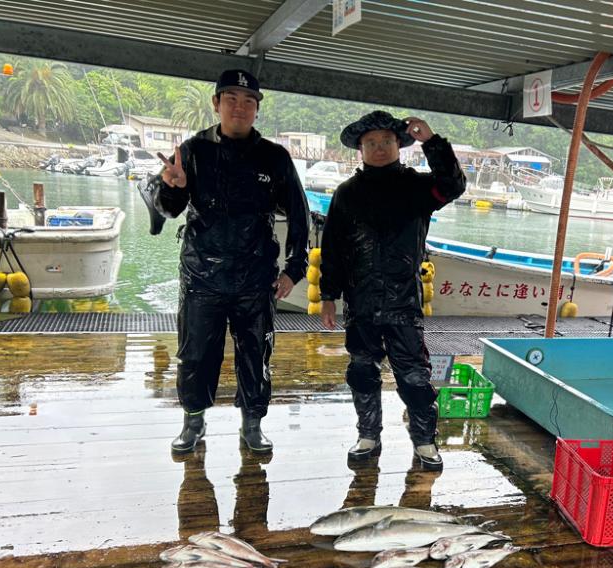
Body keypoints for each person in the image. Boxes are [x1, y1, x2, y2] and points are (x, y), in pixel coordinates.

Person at [150, 69, 309, 455]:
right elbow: (167, 210)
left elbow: (299, 214)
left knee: (256, 352)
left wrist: (294, 269)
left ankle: (252, 423)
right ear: (216, 104)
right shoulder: (193, 150)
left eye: (248, 101)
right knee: (195, 353)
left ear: (257, 109)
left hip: (255, 276)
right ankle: (193, 420)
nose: (240, 107)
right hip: (201, 275)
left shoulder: (274, 157)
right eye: (231, 99)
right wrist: (173, 187)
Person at [319, 111, 465, 471]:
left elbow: (453, 185)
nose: (379, 148)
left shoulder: (418, 188)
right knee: (362, 370)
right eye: (371, 142)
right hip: (361, 304)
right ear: (360, 149)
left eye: (386, 141)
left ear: (399, 145)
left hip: (404, 303)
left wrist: (432, 142)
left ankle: (425, 441)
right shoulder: (346, 193)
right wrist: (328, 296)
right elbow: (332, 248)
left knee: (414, 375)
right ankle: (368, 435)